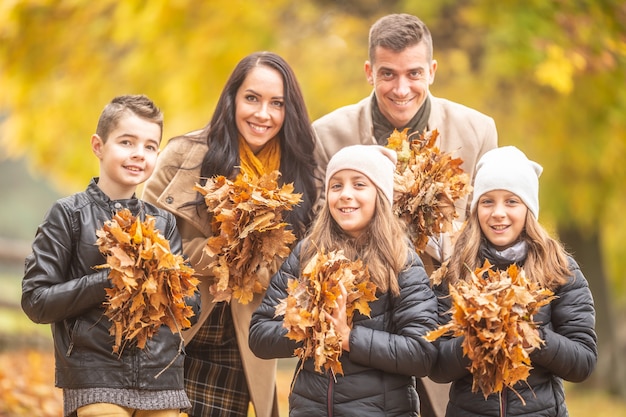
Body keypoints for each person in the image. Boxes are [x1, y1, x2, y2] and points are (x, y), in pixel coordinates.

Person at [311, 13, 498, 415]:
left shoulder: (477, 131)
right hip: (364, 327)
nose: (401, 88)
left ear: (432, 70)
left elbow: (486, 231)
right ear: (368, 71)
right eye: (387, 74)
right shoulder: (328, 134)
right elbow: (320, 231)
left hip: (446, 317)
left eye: (414, 73)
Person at [142, 51, 318, 417]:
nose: (262, 114)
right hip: (174, 333)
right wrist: (223, 255)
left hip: (238, 347)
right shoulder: (183, 154)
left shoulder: (302, 176)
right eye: (252, 98)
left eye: (277, 103)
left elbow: (303, 269)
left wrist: (258, 266)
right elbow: (147, 240)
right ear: (232, 98)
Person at [21, 94, 199, 417]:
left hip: (162, 380)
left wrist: (173, 287)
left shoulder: (163, 223)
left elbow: (189, 306)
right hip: (95, 377)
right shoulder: (68, 215)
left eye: (149, 146)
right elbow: (36, 300)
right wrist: (108, 281)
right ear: (98, 146)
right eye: (127, 142)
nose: (138, 155)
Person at [249, 145, 439, 416]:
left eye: (359, 184)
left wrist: (349, 338)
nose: (345, 195)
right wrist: (310, 329)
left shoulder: (402, 261)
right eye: (336, 185)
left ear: (380, 195)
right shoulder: (307, 253)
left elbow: (422, 353)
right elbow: (259, 334)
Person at [429, 146, 598, 416]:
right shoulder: (456, 270)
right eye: (487, 201)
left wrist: (534, 339)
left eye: (511, 201)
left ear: (528, 208)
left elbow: (583, 362)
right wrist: (473, 343)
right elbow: (435, 365)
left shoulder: (558, 268)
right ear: (475, 209)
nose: (498, 212)